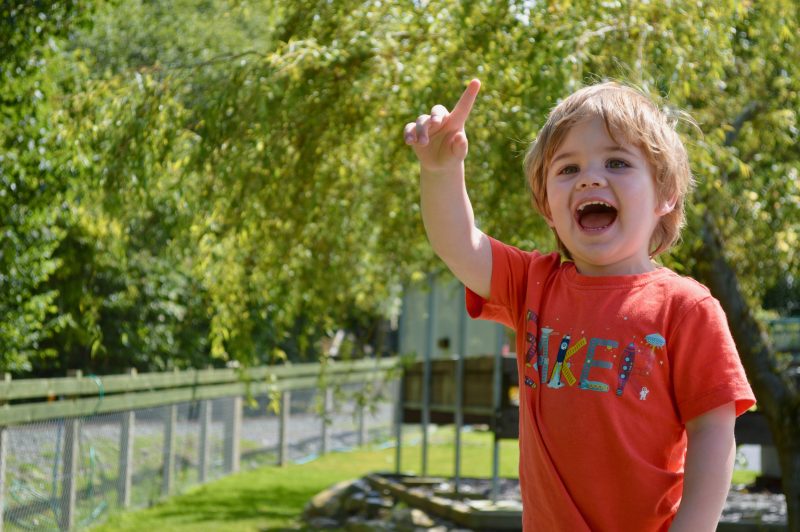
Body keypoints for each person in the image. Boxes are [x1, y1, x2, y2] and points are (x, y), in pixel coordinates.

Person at [403, 79, 755, 531]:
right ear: (547, 205)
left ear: (665, 195)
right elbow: (458, 243)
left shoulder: (686, 309)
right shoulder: (532, 284)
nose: (590, 177)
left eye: (616, 162)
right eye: (567, 169)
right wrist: (439, 172)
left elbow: (713, 432)